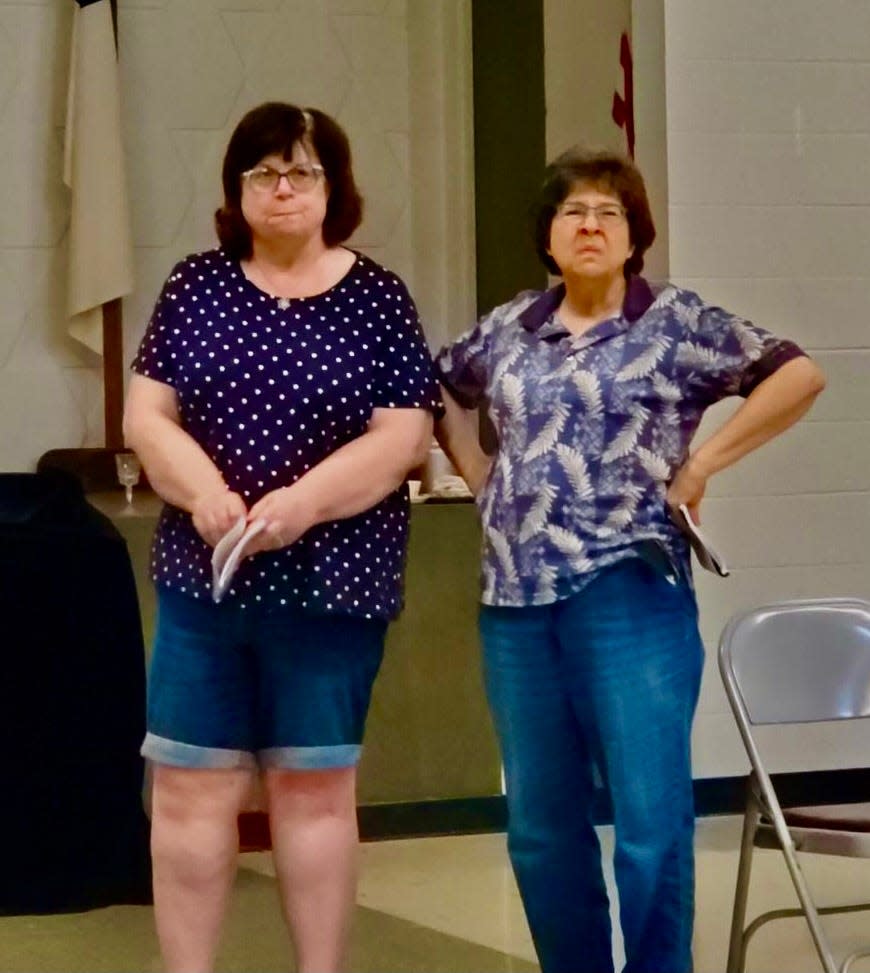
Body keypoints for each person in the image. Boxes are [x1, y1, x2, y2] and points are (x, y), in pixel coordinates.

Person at [434, 147, 826, 973]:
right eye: (572, 211)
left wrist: (703, 464)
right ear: (546, 234)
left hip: (630, 590)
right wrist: (477, 474)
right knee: (541, 828)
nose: (589, 225)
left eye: (608, 213)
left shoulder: (674, 323)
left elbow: (797, 374)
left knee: (649, 826)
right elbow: (438, 387)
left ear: (633, 235)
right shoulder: (511, 326)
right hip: (515, 600)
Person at [123, 102, 439, 973]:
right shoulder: (196, 285)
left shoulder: (377, 296)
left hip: (334, 583)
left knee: (314, 791)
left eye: (303, 171)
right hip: (206, 580)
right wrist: (206, 492)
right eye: (263, 172)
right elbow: (147, 415)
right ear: (236, 189)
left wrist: (301, 502)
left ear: (334, 187)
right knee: (189, 790)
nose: (283, 188)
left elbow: (402, 435)